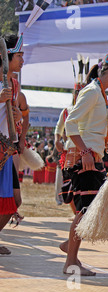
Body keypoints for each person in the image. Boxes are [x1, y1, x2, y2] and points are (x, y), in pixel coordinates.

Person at [59, 51, 108, 276]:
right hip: (85, 159)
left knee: (89, 209)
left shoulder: (99, 93)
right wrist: (85, 152)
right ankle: (71, 261)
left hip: (92, 158)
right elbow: (70, 124)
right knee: (85, 211)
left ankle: (69, 248)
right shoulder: (91, 92)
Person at [0, 34, 25, 255]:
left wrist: (17, 115)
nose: (22, 60)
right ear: (6, 57)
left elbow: (18, 114)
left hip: (6, 149)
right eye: (19, 55)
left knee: (13, 201)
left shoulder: (14, 83)